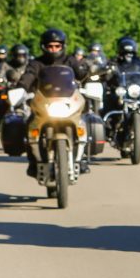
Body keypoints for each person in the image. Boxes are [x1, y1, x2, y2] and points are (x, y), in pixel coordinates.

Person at [16, 28, 89, 175]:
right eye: (50, 46)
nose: (53, 49)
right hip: (44, 103)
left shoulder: (70, 60)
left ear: (62, 46)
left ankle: (82, 159)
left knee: (83, 122)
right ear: (44, 47)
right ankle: (33, 163)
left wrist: (88, 71)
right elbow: (29, 75)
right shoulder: (36, 63)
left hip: (68, 102)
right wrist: (21, 87)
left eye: (57, 46)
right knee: (30, 125)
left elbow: (82, 73)